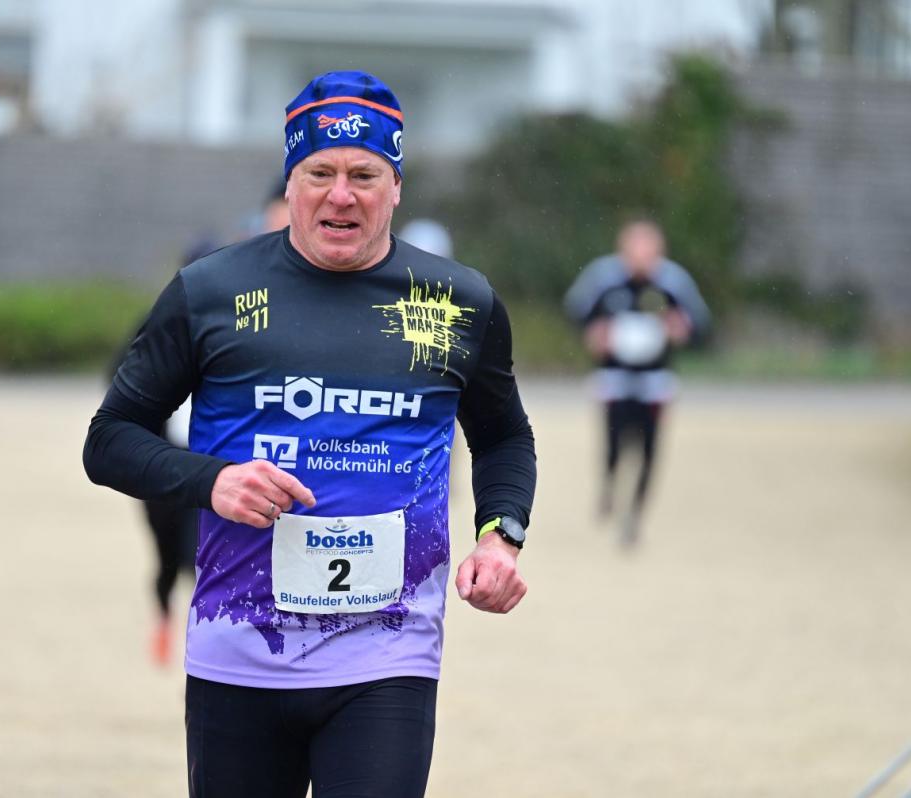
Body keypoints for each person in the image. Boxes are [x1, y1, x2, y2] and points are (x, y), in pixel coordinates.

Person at [83, 71, 536, 798]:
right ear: (290, 183)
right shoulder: (211, 292)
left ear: (396, 187)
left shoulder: (457, 302)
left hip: (389, 653)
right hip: (238, 647)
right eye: (320, 173)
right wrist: (212, 480)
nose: (341, 195)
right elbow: (109, 439)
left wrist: (500, 534)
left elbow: (504, 435)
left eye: (365, 175)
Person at [113, 190, 292, 668]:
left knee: (205, 557)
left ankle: (211, 640)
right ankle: (163, 615)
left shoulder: (243, 324)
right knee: (164, 555)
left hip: (217, 466)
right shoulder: (159, 324)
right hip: (165, 463)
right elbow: (118, 392)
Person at [562, 218, 709, 548]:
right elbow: (576, 311)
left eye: (648, 250)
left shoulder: (673, 282)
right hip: (614, 378)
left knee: (649, 450)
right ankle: (609, 487)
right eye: (635, 249)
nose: (641, 257)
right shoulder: (604, 278)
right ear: (623, 249)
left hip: (655, 382)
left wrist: (681, 328)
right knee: (614, 444)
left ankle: (635, 516)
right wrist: (593, 333)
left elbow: (700, 324)